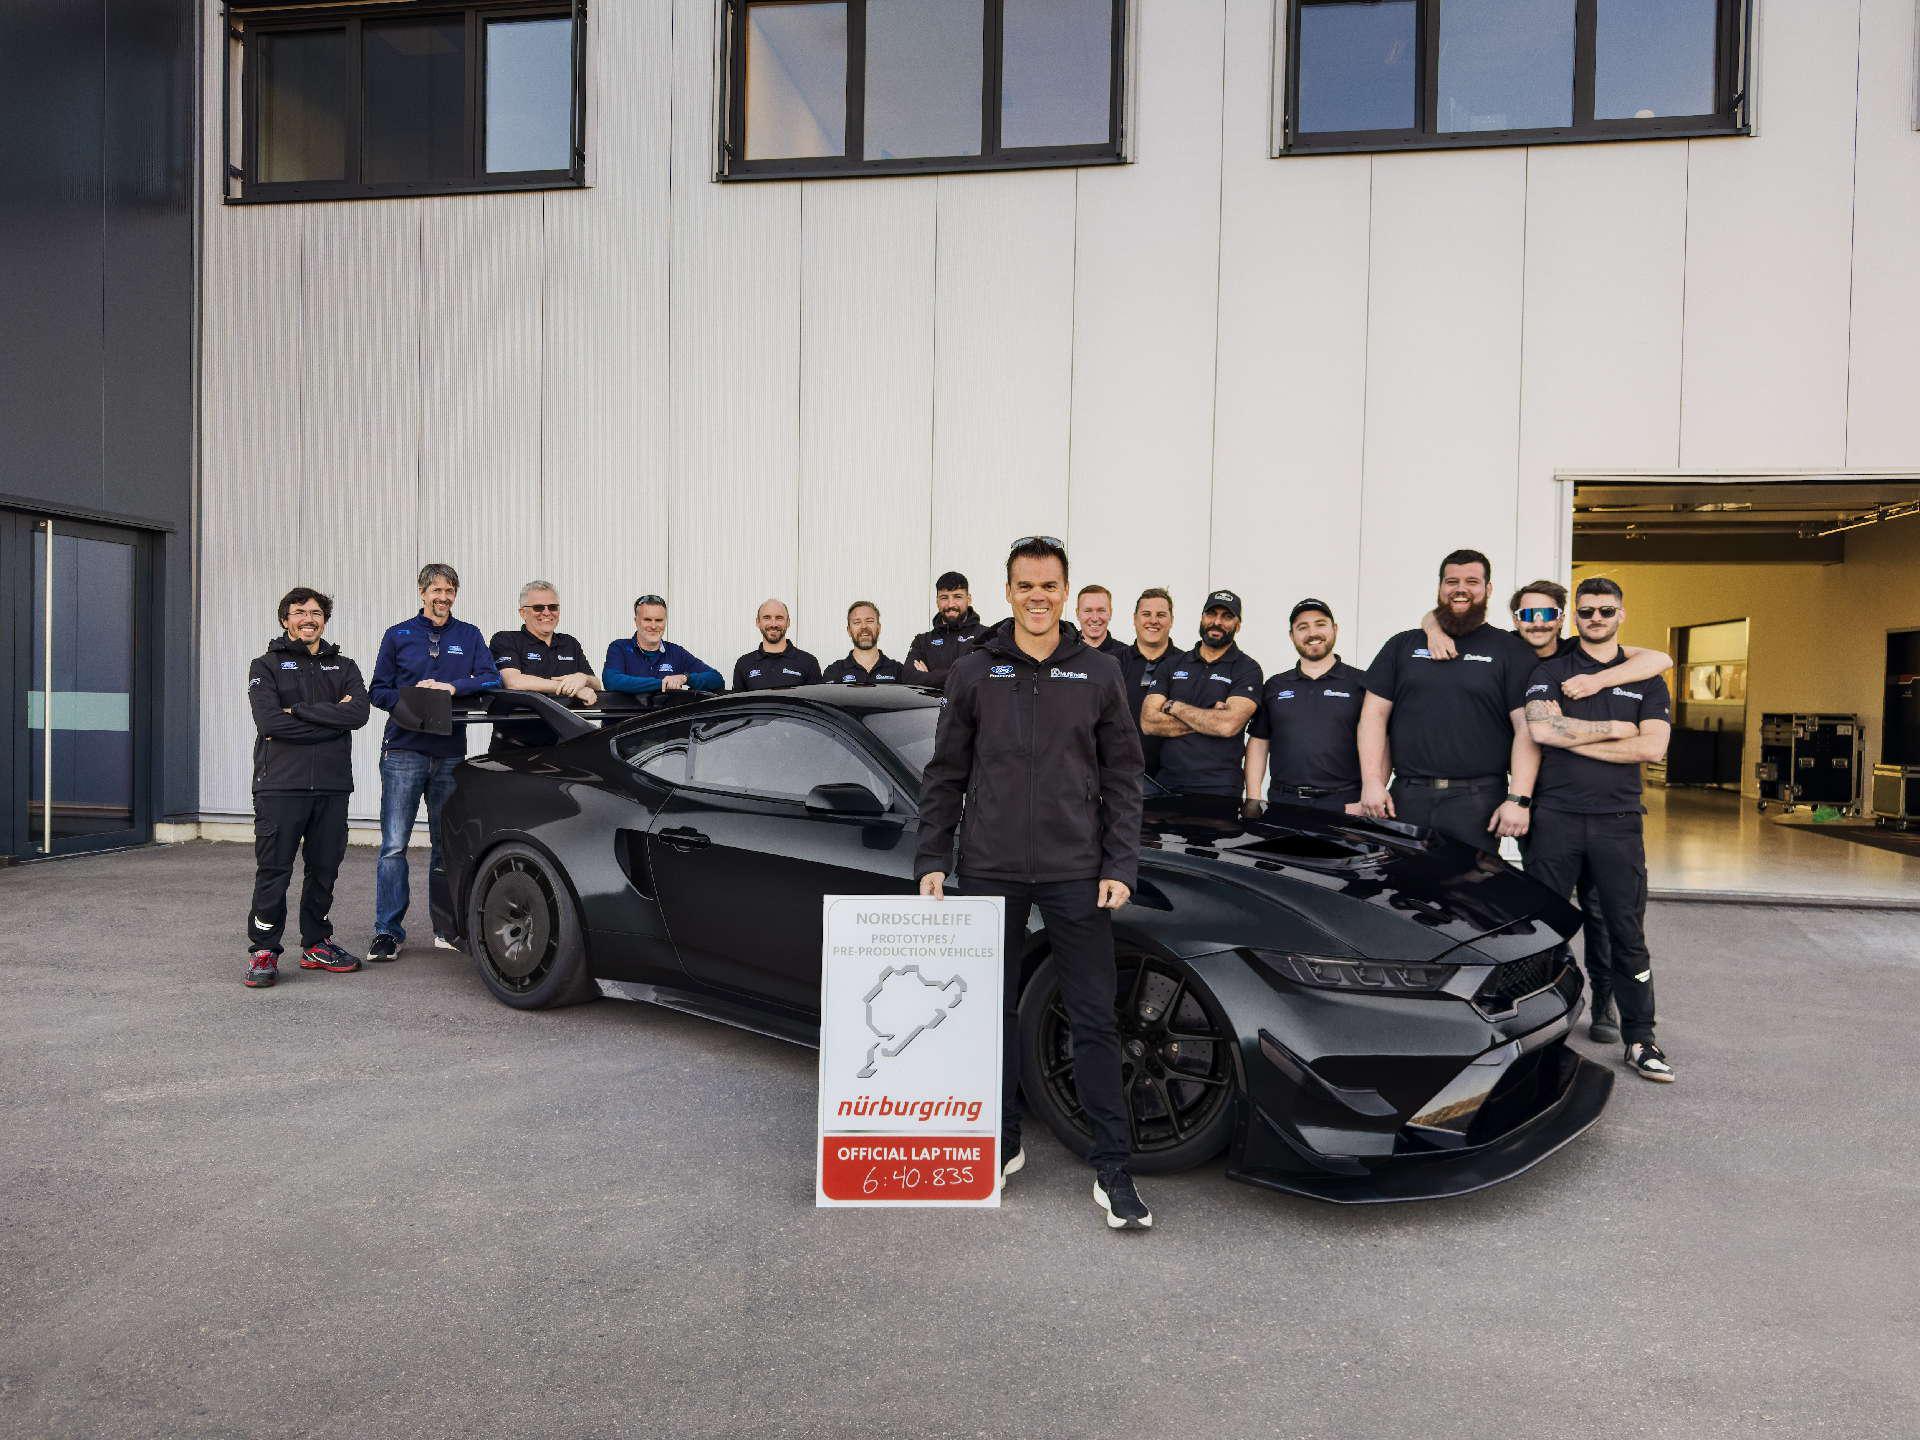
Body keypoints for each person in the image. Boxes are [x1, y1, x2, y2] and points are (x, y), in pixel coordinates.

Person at [916, 535, 1150, 1230]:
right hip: (990, 865)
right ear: (1009, 591)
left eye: (1049, 585)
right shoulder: (973, 671)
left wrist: (1119, 864)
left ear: (1065, 590)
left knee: (1093, 1017)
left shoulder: (1100, 672)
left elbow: (1123, 776)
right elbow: (946, 771)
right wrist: (932, 856)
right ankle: (1003, 1141)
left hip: (1077, 869)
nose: (1038, 597)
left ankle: (1113, 1167)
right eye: (1026, 586)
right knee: (992, 1013)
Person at [1483, 579, 1675, 1043]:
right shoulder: (1547, 669)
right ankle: (1538, 1019)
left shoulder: (1640, 675)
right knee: (1543, 923)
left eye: (1606, 611)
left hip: (1617, 820)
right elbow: (1542, 732)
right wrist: (1616, 728)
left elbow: (1652, 747)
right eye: (1587, 611)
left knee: (1615, 924)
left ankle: (1621, 1017)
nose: (1596, 619)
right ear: (1575, 616)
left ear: (1620, 614)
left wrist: (1576, 728)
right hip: (1556, 816)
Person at [1358, 550, 1539, 852]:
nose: (1460, 589)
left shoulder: (1510, 650)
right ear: (1440, 587)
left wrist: (1518, 798)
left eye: (1472, 581)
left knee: (1470, 882)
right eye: (1451, 581)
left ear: (1488, 588)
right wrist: (1373, 782)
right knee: (1400, 881)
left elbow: (1526, 728)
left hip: (1478, 801)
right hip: (1407, 797)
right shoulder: (1402, 645)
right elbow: (1373, 716)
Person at [368, 563, 502, 962]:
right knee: (394, 846)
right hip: (403, 752)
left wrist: (450, 688)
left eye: (449, 590)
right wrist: (413, 699)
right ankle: (387, 932)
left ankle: (446, 928)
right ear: (422, 592)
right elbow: (378, 690)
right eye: (436, 590)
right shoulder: (398, 635)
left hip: (449, 754)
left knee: (447, 846)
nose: (442, 597)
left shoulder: (469, 635)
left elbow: (491, 679)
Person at [243, 588, 371, 988]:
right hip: (280, 786)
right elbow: (269, 722)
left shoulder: (345, 666)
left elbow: (358, 714)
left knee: (324, 869)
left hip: (332, 786)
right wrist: (331, 722)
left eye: (315, 612)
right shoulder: (265, 666)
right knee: (274, 870)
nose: (308, 619)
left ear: (324, 621)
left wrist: (297, 710)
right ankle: (263, 951)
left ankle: (316, 943)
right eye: (299, 612)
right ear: (285, 620)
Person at [1242, 599, 1368, 814]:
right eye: (1302, 627)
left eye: (1320, 624)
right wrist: (1253, 798)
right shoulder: (1275, 685)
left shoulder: (1361, 683)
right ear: (1292, 636)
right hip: (1284, 803)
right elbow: (1259, 742)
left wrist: (1367, 800)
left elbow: (1381, 742)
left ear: (1335, 629)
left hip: (1346, 804)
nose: (1312, 633)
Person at [1140, 589, 1262, 799]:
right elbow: (1148, 722)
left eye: (1227, 616)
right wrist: (1209, 718)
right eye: (1211, 614)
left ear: (1238, 625)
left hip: (1219, 789)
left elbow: (1227, 725)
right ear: (1202, 617)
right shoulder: (1172, 664)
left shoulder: (1247, 669)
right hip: (1167, 784)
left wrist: (1175, 707)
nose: (1217, 622)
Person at [488, 580, 598, 751]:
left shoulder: (570, 643)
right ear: (523, 613)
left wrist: (582, 678)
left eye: (553, 607)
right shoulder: (506, 639)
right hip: (513, 749)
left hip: (564, 748)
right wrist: (569, 688)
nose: (547, 613)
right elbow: (514, 682)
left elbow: (596, 684)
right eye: (538, 607)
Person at [603, 594, 724, 695]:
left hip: (666, 718)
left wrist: (685, 678)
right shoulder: (619, 648)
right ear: (636, 621)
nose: (653, 626)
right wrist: (663, 683)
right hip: (626, 717)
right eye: (647, 620)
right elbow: (612, 681)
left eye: (659, 620)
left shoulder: (676, 652)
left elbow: (716, 679)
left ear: (665, 621)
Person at [1118, 588, 1176, 774]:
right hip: (1119, 776)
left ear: (1171, 620)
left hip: (1173, 778)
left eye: (1161, 615)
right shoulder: (1111, 663)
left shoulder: (1187, 665)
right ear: (1134, 619)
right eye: (1146, 614)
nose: (1153, 620)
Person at [907, 571, 991, 687]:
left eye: (957, 597)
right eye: (944, 598)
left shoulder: (987, 636)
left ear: (968, 599)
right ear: (937, 601)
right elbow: (909, 677)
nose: (951, 604)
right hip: (933, 701)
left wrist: (930, 676)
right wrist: (965, 674)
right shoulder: (922, 642)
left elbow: (987, 676)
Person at [731, 598, 821, 690]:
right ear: (758, 622)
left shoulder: (809, 662)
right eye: (767, 618)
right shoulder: (743, 663)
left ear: (788, 622)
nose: (773, 624)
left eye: (779, 618)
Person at [821, 601, 913, 685]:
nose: (864, 626)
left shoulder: (898, 671)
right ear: (849, 630)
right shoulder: (834, 672)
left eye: (869, 621)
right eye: (857, 622)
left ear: (879, 628)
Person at [1075, 585, 1129, 658]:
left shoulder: (1126, 656)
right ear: (1077, 614)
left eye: (1101, 610)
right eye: (1088, 611)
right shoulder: (1064, 651)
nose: (1095, 618)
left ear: (1110, 613)